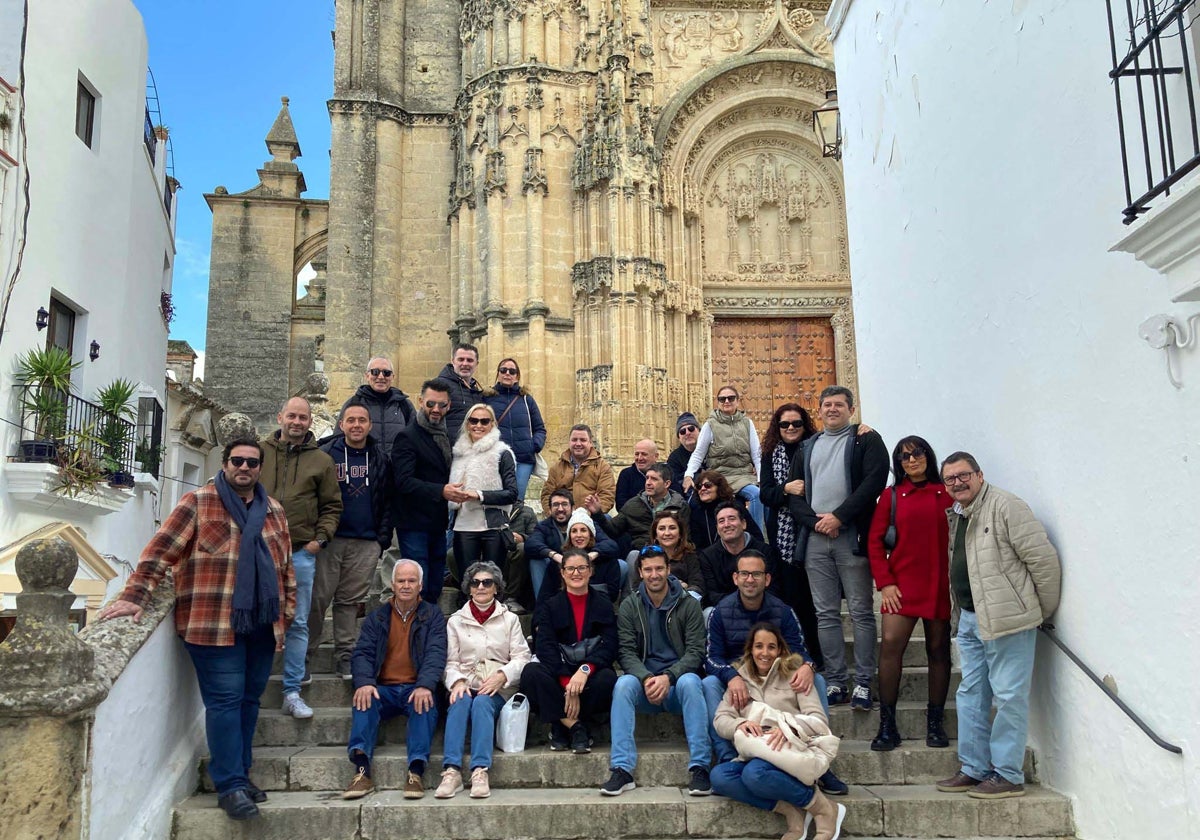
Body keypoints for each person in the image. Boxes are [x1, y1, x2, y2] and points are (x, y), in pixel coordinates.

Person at [97, 439, 296, 822]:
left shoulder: (274, 511)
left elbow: (285, 572)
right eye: (237, 460)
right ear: (224, 464)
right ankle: (230, 785)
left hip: (260, 626)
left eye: (252, 462)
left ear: (260, 468)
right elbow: (159, 551)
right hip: (211, 621)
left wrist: (283, 620)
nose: (244, 467)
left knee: (249, 702)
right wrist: (136, 596)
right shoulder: (198, 503)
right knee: (224, 701)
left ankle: (241, 772)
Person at [935, 452, 1061, 800]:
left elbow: (1042, 560)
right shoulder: (959, 513)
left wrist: (1036, 611)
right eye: (950, 479)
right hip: (972, 618)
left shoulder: (1006, 506)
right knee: (971, 693)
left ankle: (1007, 774)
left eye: (963, 476)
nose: (957, 483)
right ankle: (974, 767)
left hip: (1008, 621)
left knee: (1008, 695)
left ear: (979, 474)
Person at [701, 550, 846, 798]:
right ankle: (728, 755)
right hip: (737, 679)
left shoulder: (783, 611)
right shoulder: (721, 611)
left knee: (816, 678)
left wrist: (807, 665)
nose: (750, 580)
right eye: (744, 574)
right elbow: (712, 657)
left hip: (777, 677)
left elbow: (800, 650)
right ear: (735, 578)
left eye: (756, 574)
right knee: (708, 683)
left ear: (766, 579)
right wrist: (731, 676)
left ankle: (820, 760)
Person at [788, 385, 888, 711]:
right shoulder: (807, 446)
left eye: (839, 405)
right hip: (817, 539)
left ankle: (862, 682)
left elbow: (873, 482)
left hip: (850, 536)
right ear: (819, 410)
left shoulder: (865, 440)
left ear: (851, 408)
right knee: (826, 614)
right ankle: (835, 681)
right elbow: (795, 494)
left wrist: (839, 516)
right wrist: (814, 522)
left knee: (860, 611)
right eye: (827, 405)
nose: (832, 409)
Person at [711, 623, 847, 840]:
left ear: (780, 650)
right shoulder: (740, 679)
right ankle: (791, 811)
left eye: (771, 647)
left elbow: (818, 720)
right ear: (750, 650)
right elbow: (720, 720)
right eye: (759, 646)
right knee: (719, 776)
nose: (764, 653)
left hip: (788, 750)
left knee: (755, 773)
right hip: (756, 749)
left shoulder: (795, 675)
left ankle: (824, 808)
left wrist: (787, 729)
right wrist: (738, 724)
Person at [866, 436, 953, 751]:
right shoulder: (891, 496)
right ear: (898, 463)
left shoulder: (947, 494)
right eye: (904, 456)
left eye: (917, 453)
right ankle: (887, 724)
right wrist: (885, 583)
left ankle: (935, 721)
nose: (912, 459)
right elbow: (874, 543)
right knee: (890, 645)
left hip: (939, 584)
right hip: (901, 586)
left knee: (939, 649)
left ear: (928, 455)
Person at [602, 545, 712, 797]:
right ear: (640, 572)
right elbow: (626, 652)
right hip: (646, 687)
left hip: (676, 688)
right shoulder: (631, 605)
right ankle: (622, 768)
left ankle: (701, 767)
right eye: (648, 569)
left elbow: (696, 652)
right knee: (623, 685)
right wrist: (647, 677)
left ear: (668, 569)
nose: (654, 574)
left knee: (692, 682)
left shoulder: (688, 604)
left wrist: (668, 677)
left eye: (659, 568)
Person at [260, 396, 343, 720]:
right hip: (260, 552)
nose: (296, 422)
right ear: (281, 416)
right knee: (256, 619)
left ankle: (292, 691)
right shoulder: (259, 454)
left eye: (302, 417)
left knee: (298, 623)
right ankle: (254, 689)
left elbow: (332, 506)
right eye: (291, 416)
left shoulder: (321, 461)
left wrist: (320, 540)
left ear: (309, 422)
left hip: (301, 553)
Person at [343, 559, 448, 801]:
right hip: (384, 689)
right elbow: (362, 653)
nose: (406, 585)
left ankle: (416, 771)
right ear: (392, 584)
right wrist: (365, 682)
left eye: (412, 581)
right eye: (401, 580)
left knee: (426, 702)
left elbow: (436, 653)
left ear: (420, 585)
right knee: (363, 699)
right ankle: (361, 770)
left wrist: (424, 685)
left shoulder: (432, 616)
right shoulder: (377, 618)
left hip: (416, 687)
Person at [310, 400, 393, 681]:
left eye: (362, 420)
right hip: (329, 541)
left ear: (369, 425)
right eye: (351, 420)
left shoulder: (380, 458)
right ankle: (306, 654)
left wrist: (380, 540)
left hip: (366, 542)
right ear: (342, 424)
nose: (356, 425)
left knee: (349, 602)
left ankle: (345, 656)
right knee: (318, 599)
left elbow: (388, 500)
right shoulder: (324, 455)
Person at [435, 561, 532, 799]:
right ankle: (452, 770)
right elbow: (450, 662)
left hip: (497, 688)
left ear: (496, 588)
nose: (481, 587)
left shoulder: (509, 620)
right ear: (468, 588)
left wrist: (502, 676)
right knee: (459, 702)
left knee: (481, 704)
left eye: (487, 582)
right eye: (475, 582)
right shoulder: (456, 621)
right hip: (467, 683)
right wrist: (456, 682)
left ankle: (480, 769)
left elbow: (523, 657)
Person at [520, 548, 619, 754]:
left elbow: (609, 646)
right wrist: (567, 683)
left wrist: (584, 670)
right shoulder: (550, 606)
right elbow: (545, 647)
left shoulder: (603, 604)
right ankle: (576, 727)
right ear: (562, 573)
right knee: (531, 673)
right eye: (571, 569)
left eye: (582, 568)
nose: (576, 573)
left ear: (591, 571)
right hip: (559, 675)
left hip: (589, 675)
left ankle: (560, 725)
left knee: (608, 679)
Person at [391, 380, 470, 604]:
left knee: (434, 584)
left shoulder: (445, 435)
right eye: (431, 404)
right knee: (417, 584)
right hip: (413, 523)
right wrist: (442, 491)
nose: (436, 409)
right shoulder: (407, 436)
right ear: (420, 402)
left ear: (449, 406)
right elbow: (403, 482)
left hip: (437, 523)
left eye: (442, 405)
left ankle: (429, 632)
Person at [758, 404, 823, 670]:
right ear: (778, 427)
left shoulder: (818, 449)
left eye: (796, 423)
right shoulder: (771, 455)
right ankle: (799, 654)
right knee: (795, 599)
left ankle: (819, 657)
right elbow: (766, 494)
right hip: (784, 538)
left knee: (816, 602)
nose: (791, 428)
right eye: (785, 424)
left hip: (816, 531)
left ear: (805, 424)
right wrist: (786, 489)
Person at [683, 385, 765, 533]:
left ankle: (755, 535)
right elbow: (698, 453)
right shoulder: (710, 425)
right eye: (722, 399)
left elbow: (756, 454)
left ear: (737, 401)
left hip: (743, 476)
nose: (726, 401)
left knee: (758, 495)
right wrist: (688, 474)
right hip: (720, 477)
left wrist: (761, 478)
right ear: (718, 402)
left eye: (731, 398)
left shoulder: (747, 423)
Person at [448, 403, 519, 572]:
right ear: (467, 424)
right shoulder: (458, 453)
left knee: (493, 580)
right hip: (463, 526)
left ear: (492, 424)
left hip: (493, 526)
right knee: (467, 580)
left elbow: (512, 493)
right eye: (474, 421)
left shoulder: (503, 453)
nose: (478, 425)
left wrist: (478, 495)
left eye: (484, 421)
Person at [485, 357, 546, 502]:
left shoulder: (526, 399)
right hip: (497, 458)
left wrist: (534, 446)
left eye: (512, 371)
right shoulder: (487, 398)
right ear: (498, 374)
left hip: (523, 459)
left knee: (517, 500)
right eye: (503, 370)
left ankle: (515, 525)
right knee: (497, 498)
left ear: (517, 376)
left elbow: (540, 428)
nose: (507, 373)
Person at [589, 462, 689, 551]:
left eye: (654, 479)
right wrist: (598, 513)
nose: (648, 483)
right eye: (647, 478)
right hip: (642, 554)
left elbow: (686, 537)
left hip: (672, 552)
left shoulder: (680, 506)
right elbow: (613, 530)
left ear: (666, 484)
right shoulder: (633, 504)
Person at [536, 507, 623, 602]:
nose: (578, 535)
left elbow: (612, 595)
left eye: (583, 530)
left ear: (590, 534)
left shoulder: (607, 559)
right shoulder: (559, 561)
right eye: (574, 531)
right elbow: (545, 597)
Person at [698, 501, 771, 608]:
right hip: (725, 611)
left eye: (732, 519)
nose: (727, 525)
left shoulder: (765, 552)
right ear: (717, 529)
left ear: (744, 524)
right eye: (721, 521)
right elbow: (712, 595)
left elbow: (774, 589)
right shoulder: (707, 556)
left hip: (762, 608)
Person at [339, 356, 414, 456]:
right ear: (367, 375)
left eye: (386, 373)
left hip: (397, 468)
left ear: (392, 377)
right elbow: (339, 438)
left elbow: (416, 439)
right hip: (365, 466)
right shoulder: (353, 403)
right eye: (375, 372)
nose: (381, 377)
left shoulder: (404, 405)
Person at [540, 424, 616, 513]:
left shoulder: (602, 467)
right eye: (574, 440)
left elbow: (607, 496)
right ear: (569, 442)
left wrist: (588, 515)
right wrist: (554, 515)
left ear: (590, 443)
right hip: (562, 518)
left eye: (583, 440)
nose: (578, 444)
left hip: (592, 518)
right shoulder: (557, 468)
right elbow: (547, 495)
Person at [689, 470, 764, 553]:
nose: (703, 489)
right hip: (709, 559)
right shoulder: (696, 511)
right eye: (699, 486)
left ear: (719, 487)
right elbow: (696, 545)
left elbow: (756, 538)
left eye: (708, 485)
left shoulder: (735, 507)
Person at [642, 509, 704, 600]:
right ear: (655, 535)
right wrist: (677, 586)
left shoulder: (690, 556)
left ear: (680, 534)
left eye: (672, 528)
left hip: (684, 604)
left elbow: (698, 586)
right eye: (662, 528)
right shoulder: (645, 556)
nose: (667, 533)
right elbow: (638, 587)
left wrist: (681, 593)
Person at [433, 343, 485, 440]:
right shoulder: (440, 385)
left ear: (476, 363)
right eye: (461, 359)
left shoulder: (475, 389)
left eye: (470, 360)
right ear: (453, 361)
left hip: (472, 450)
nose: (465, 364)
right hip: (448, 451)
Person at [615, 439, 659, 510]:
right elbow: (621, 505)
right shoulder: (626, 474)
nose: (639, 458)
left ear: (656, 456)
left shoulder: (665, 473)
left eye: (644, 454)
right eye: (637, 454)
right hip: (634, 518)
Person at [666, 412, 703, 494]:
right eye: (682, 431)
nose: (687, 433)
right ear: (679, 438)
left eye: (691, 429)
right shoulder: (674, 458)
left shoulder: (711, 449)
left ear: (700, 431)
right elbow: (674, 483)